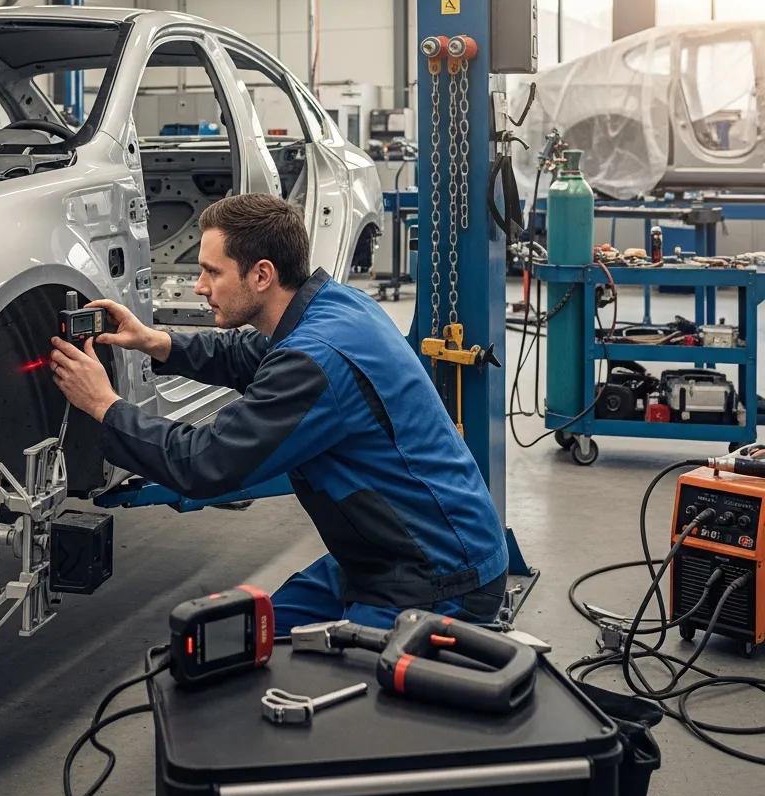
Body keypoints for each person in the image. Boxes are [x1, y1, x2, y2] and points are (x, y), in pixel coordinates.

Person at [49, 194, 508, 633]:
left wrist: (103, 405)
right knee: (256, 633)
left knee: (282, 678)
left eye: (212, 272)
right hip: (384, 553)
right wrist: (154, 341)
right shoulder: (333, 306)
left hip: (437, 576)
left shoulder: (316, 360)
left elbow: (204, 463)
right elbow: (246, 354)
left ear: (262, 275)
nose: (199, 286)